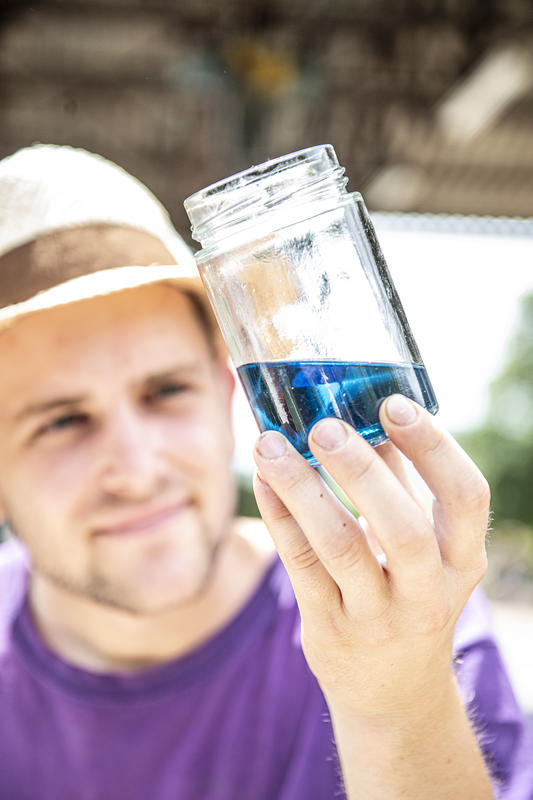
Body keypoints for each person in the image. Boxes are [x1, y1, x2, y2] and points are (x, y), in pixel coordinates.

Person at [0, 144, 531, 800]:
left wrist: (397, 702)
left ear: (228, 394)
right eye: (61, 422)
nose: (137, 471)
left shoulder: (398, 610)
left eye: (166, 391)